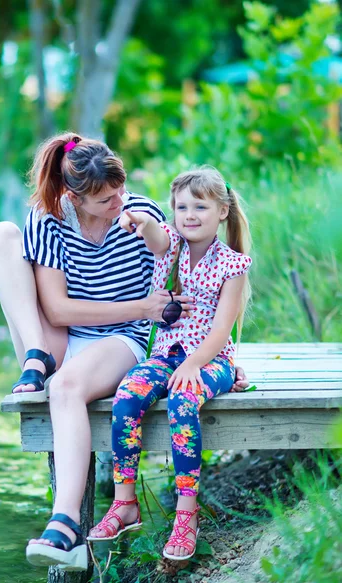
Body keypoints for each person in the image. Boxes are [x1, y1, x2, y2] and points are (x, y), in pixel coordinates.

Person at [0, 134, 250, 571]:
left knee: (66, 388)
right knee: (1, 234)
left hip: (117, 341)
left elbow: (166, 246)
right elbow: (55, 308)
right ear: (76, 197)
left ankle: (65, 523)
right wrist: (144, 306)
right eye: (106, 199)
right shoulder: (49, 217)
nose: (118, 201)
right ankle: (35, 356)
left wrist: (197, 355)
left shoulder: (139, 212)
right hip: (57, 337)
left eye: (120, 190)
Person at [87, 166, 252, 562]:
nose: (190, 214)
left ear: (222, 211)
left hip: (210, 359)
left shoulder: (232, 265)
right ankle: (125, 503)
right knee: (127, 396)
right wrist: (139, 219)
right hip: (165, 355)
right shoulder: (169, 247)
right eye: (181, 206)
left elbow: (221, 329)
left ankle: (186, 512)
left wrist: (194, 365)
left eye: (200, 206)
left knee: (182, 400)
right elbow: (152, 231)